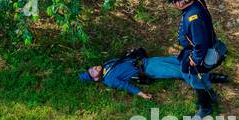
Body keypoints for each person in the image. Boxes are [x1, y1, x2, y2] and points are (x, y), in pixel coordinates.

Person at [165, 0, 225, 119]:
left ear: (180, 2)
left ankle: (205, 107)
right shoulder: (197, 0)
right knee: (185, 71)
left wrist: (196, 59)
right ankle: (210, 94)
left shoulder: (193, 18)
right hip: (192, 50)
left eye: (173, 3)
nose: (173, 6)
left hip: (200, 52)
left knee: (197, 79)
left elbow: (201, 41)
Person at [79, 47, 228, 99]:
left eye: (91, 68)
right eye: (92, 72)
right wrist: (142, 94)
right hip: (149, 69)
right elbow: (126, 86)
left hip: (149, 61)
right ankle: (209, 81)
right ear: (96, 79)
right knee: (180, 71)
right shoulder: (109, 80)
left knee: (182, 61)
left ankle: (206, 67)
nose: (93, 68)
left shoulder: (107, 64)